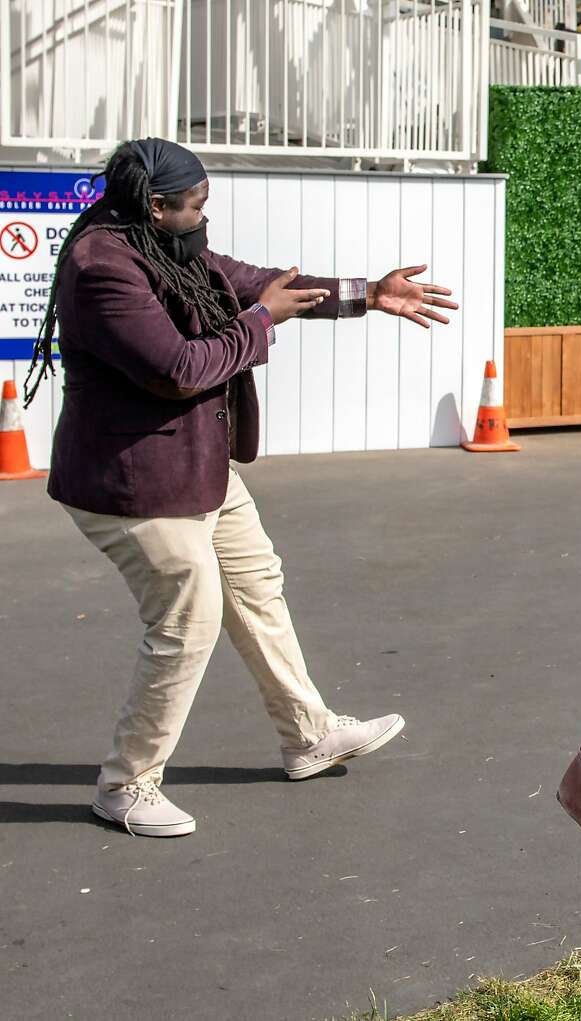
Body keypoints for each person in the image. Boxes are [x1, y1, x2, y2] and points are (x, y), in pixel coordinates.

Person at [25, 138, 458, 838]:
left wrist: (369, 295)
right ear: (155, 206)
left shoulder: (162, 242)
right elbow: (180, 367)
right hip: (133, 483)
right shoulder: (100, 266)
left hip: (198, 466)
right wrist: (262, 323)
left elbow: (253, 280)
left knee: (257, 582)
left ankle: (308, 733)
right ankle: (127, 783)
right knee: (186, 620)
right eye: (194, 207)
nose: (204, 220)